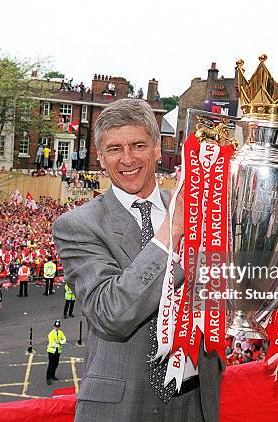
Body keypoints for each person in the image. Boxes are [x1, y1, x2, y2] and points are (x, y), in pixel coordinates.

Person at [52, 99, 221, 422]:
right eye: (114, 149)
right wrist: (171, 231)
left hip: (194, 402)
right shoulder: (77, 226)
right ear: (100, 158)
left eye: (138, 145)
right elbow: (111, 313)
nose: (127, 159)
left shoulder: (200, 213)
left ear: (158, 149)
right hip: (121, 408)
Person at [46, 319, 66, 385]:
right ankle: (48, 378)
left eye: (58, 326)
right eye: (56, 326)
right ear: (54, 326)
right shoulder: (50, 334)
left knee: (56, 364)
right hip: (51, 351)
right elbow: (52, 344)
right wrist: (60, 343)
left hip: (58, 351)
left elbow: (64, 339)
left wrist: (61, 342)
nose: (57, 327)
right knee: (50, 364)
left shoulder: (61, 332)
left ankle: (52, 375)